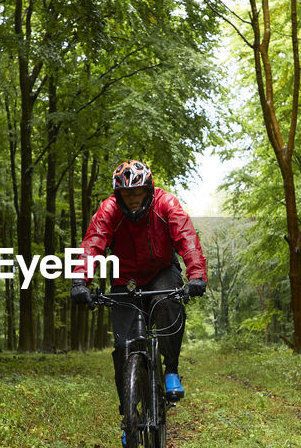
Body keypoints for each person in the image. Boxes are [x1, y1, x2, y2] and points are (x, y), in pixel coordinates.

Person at [69, 159, 207, 411]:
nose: (133, 199)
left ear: (148, 190)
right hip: (126, 280)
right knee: (123, 347)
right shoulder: (109, 210)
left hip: (162, 271)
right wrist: (80, 280)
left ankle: (171, 370)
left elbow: (186, 237)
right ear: (118, 194)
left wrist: (196, 276)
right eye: (127, 193)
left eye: (137, 192)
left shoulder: (166, 204)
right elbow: (93, 243)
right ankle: (128, 415)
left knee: (167, 305)